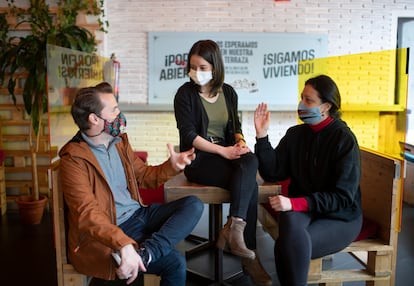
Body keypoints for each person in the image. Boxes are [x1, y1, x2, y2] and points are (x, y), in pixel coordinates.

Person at [59, 82, 204, 286]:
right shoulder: (73, 159)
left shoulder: (118, 142)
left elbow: (145, 176)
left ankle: (145, 255)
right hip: (112, 230)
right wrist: (123, 243)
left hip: (138, 214)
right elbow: (87, 213)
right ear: (94, 118)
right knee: (176, 263)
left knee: (193, 204)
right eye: (114, 110)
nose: (120, 114)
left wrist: (172, 166)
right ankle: (140, 255)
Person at [174, 39, 272, 286]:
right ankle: (248, 257)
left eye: (203, 67)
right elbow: (189, 136)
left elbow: (234, 129)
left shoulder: (228, 92)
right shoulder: (184, 94)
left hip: (226, 152)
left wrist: (239, 142)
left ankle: (233, 227)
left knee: (250, 159)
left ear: (215, 68)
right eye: (193, 66)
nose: (197, 72)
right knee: (248, 181)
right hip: (199, 160)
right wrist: (223, 151)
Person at [254, 74, 363, 286]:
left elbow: (342, 197)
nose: (301, 104)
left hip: (340, 216)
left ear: (326, 107)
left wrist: (295, 203)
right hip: (307, 211)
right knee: (289, 224)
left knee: (288, 244)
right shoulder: (296, 134)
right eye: (302, 97)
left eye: (309, 100)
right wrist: (262, 136)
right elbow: (273, 172)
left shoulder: (344, 139)